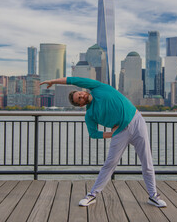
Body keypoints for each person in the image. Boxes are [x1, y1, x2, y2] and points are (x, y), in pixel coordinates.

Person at [39, 77, 167, 208]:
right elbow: (93, 134)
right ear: (81, 104)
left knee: (147, 162)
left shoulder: (98, 87)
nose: (82, 95)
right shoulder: (90, 115)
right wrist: (111, 134)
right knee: (109, 164)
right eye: (79, 99)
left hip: (137, 121)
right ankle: (92, 195)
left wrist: (53, 82)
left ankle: (153, 196)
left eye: (80, 93)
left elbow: (73, 80)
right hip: (120, 133)